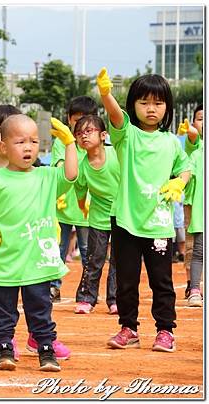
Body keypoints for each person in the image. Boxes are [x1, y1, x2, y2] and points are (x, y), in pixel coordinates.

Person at [0, 114, 77, 372]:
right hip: (3, 258)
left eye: (33, 141)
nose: (28, 147)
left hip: (36, 261)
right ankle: (4, 346)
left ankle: (46, 348)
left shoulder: (46, 176)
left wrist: (70, 144)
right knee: (3, 309)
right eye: (20, 142)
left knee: (40, 307)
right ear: (3, 147)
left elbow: (71, 175)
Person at [97, 68, 190, 353]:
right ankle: (129, 328)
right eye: (144, 102)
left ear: (167, 107)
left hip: (159, 223)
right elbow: (114, 116)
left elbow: (185, 167)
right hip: (126, 219)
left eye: (158, 103)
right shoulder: (127, 135)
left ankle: (165, 330)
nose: (152, 109)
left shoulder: (171, 142)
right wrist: (106, 94)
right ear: (133, 105)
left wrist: (179, 182)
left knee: (162, 281)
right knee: (126, 279)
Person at [49, 96, 97, 302]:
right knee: (57, 249)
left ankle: (87, 290)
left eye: (86, 119)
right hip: (63, 206)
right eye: (77, 119)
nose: (80, 124)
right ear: (69, 119)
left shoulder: (94, 144)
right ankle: (53, 287)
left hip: (87, 209)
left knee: (88, 252)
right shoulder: (62, 143)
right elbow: (61, 168)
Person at [72, 115, 119, 315]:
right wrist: (82, 207)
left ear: (103, 135)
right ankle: (86, 298)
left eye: (88, 131)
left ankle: (115, 299)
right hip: (98, 218)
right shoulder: (82, 165)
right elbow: (80, 190)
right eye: (79, 133)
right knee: (94, 259)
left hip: (123, 215)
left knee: (119, 261)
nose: (84, 136)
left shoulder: (116, 153)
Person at [178, 105, 203, 307]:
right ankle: (192, 285)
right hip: (194, 206)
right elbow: (193, 140)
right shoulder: (195, 148)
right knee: (192, 248)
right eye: (200, 118)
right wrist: (192, 135)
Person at [171, 197, 185, 262]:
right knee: (171, 240)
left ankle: (181, 254)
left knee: (182, 239)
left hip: (181, 220)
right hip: (171, 221)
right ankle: (172, 255)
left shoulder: (183, 194)